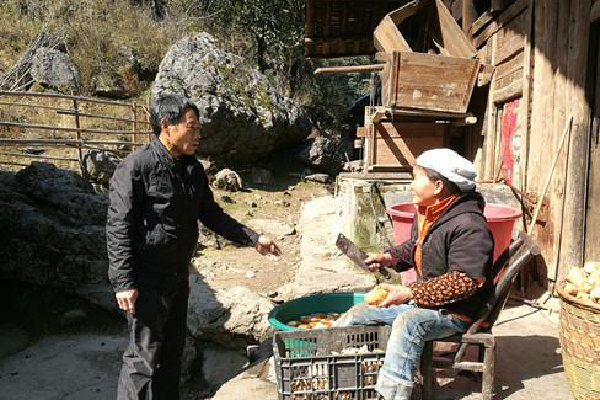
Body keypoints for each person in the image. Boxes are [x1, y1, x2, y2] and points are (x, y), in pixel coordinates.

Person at [106, 94, 281, 400]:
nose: (199, 135)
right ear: (166, 126)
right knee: (143, 358)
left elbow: (211, 214)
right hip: (146, 279)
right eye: (192, 127)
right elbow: (118, 226)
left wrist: (253, 238)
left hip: (178, 277)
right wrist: (124, 282)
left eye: (199, 128)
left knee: (172, 351)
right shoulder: (136, 168)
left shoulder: (192, 169)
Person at [334, 148, 494, 400]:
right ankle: (331, 372)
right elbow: (416, 247)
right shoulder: (431, 212)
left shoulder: (470, 226)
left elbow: (465, 281)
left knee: (409, 323)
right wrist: (388, 257)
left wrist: (409, 292)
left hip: (456, 311)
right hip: (428, 301)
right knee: (358, 314)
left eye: (416, 178)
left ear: (438, 186)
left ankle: (393, 394)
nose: (411, 185)